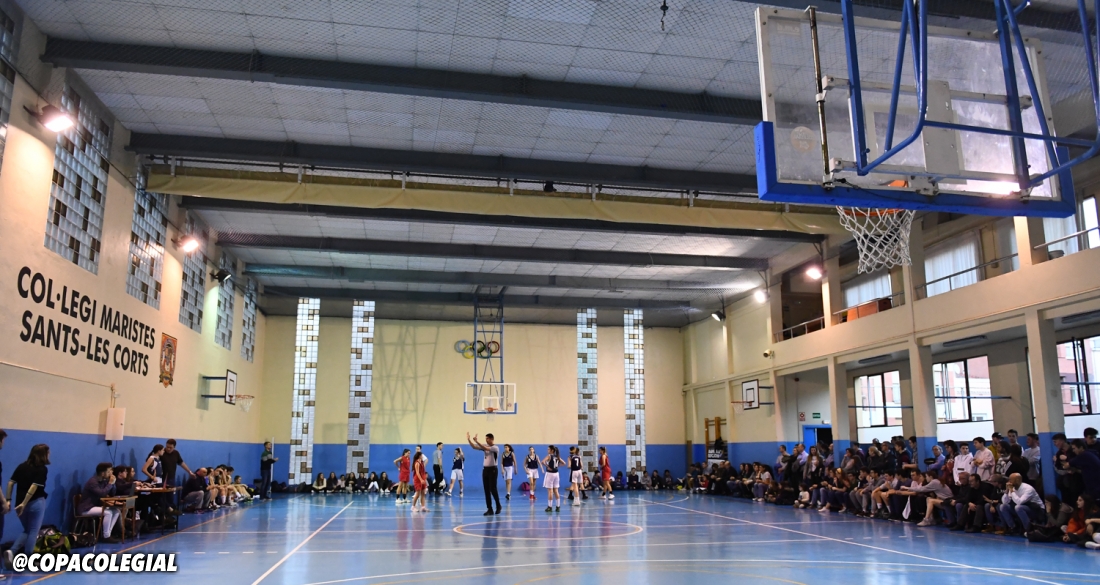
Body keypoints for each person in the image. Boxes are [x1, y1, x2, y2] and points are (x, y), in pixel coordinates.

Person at [7, 444, 50, 555]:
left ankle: (11, 552)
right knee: (33, 531)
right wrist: (25, 503)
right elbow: (34, 486)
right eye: (48, 453)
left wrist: (8, 500)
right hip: (35, 503)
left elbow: (10, 483)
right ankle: (28, 557)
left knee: (27, 530)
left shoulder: (21, 466)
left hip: (18, 504)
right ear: (44, 455)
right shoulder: (42, 469)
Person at [78, 463, 122, 543]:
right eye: (108, 472)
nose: (110, 473)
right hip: (86, 508)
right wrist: (110, 484)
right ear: (102, 473)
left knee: (116, 511)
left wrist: (113, 483)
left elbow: (112, 493)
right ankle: (106, 536)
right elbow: (102, 493)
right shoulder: (93, 482)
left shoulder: (104, 481)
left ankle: (108, 533)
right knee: (108, 512)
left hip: (94, 506)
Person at [467, 432, 502, 516]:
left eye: (487, 439)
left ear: (492, 439)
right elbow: (474, 447)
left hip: (493, 470)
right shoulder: (485, 447)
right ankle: (489, 509)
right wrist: (469, 440)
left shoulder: (495, 448)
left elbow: (485, 448)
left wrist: (477, 441)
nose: (486, 440)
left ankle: (498, 505)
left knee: (493, 488)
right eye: (486, 439)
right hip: (485, 470)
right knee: (486, 490)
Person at [542, 446, 565, 513]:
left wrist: (548, 466)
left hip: (550, 474)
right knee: (556, 491)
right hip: (556, 474)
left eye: (548, 449)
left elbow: (542, 462)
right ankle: (558, 506)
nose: (547, 450)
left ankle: (550, 507)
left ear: (552, 450)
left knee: (550, 491)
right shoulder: (557, 457)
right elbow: (564, 463)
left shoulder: (549, 456)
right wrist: (557, 466)